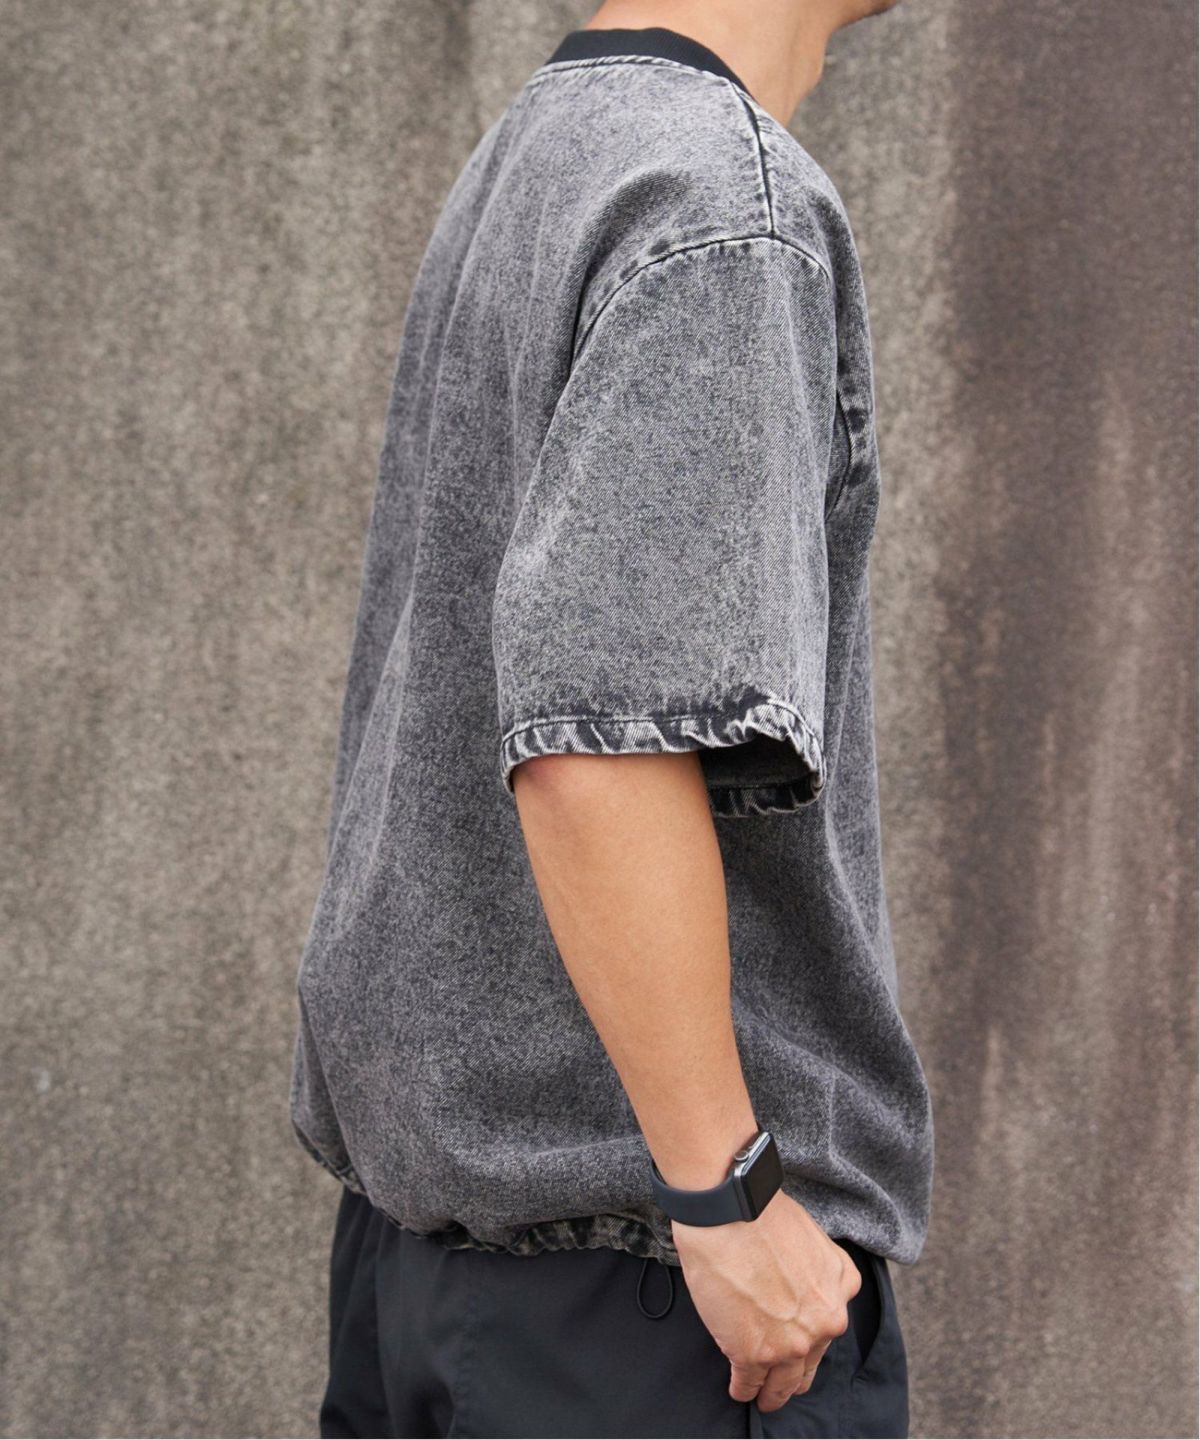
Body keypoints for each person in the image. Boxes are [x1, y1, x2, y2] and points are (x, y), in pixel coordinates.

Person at [290, 0, 934, 1434]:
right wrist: (727, 1192)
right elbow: (600, 745)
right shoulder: (721, 204)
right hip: (648, 1301)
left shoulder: (543, 149)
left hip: (442, 1277)